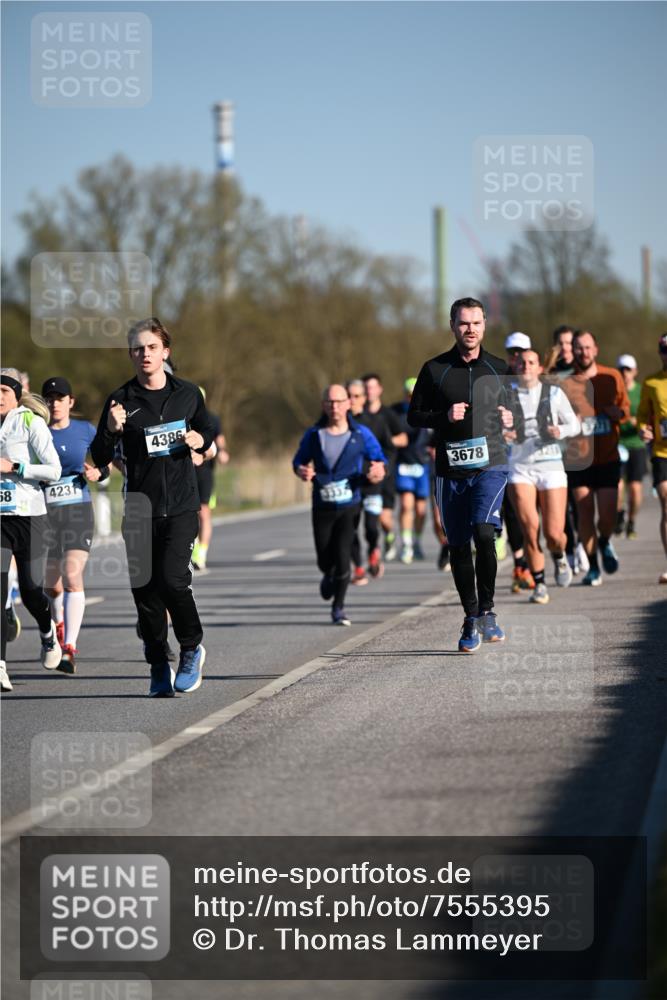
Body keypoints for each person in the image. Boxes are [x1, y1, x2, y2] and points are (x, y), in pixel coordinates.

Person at [90, 317, 214, 697]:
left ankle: (191, 648)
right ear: (131, 354)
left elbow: (208, 435)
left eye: (151, 347)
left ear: (165, 352)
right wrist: (111, 429)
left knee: (173, 579)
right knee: (145, 591)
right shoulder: (120, 400)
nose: (145, 354)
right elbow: (97, 457)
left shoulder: (189, 394)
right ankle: (158, 662)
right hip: (140, 509)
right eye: (137, 348)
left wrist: (198, 438)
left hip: (180, 504)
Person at [408, 297, 522, 652]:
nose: (470, 329)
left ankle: (488, 610)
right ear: (453, 326)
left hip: (491, 465)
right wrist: (444, 416)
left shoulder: (499, 368)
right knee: (457, 544)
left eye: (476, 323)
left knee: (484, 533)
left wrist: (510, 419)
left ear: (484, 326)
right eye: (463, 323)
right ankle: (471, 616)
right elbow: (414, 416)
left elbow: (516, 413)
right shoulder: (434, 369)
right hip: (450, 470)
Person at [293, 384, 386, 626]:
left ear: (348, 404)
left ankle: (338, 608)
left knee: (344, 555)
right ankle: (328, 572)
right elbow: (299, 461)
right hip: (322, 506)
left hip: (349, 505)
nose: (334, 406)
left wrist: (378, 471)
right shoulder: (314, 435)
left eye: (339, 401)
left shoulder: (361, 434)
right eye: (330, 402)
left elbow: (379, 460)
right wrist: (301, 470)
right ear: (324, 405)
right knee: (325, 558)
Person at [42, 376, 110, 674]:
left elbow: (107, 462)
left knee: (72, 575)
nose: (55, 403)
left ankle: (69, 648)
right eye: (50, 398)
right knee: (51, 585)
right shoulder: (37, 432)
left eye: (60, 398)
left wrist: (98, 472)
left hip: (78, 513)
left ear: (71, 402)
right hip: (44, 517)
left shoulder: (85, 430)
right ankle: (57, 626)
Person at [0, 368, 63, 691]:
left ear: (15, 395)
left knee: (30, 590)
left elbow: (54, 470)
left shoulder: (30, 422)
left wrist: (15, 467)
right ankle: (0, 667)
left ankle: (48, 631)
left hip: (30, 517)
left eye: (3, 392)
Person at [508, 351, 580, 604]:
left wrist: (560, 430)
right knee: (530, 529)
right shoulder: (507, 394)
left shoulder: (553, 394)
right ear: (515, 366)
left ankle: (560, 557)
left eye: (531, 363)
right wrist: (503, 432)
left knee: (553, 534)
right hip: (520, 467)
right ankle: (539, 584)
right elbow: (492, 426)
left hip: (551, 467)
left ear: (539, 368)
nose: (526, 367)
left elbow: (575, 425)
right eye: (521, 363)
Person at [562, 330, 629, 586]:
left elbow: (625, 410)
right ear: (573, 351)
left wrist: (617, 413)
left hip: (608, 456)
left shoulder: (612, 376)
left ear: (596, 349)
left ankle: (604, 541)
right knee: (585, 511)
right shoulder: (565, 383)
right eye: (579, 348)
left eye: (588, 347)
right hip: (579, 459)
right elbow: (555, 418)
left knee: (608, 515)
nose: (584, 352)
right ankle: (592, 566)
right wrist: (569, 421)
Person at [362, 374, 408, 561]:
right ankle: (370, 548)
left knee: (384, 519)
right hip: (364, 473)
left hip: (386, 471)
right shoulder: (358, 415)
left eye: (373, 387)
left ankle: (389, 535)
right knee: (368, 518)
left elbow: (403, 439)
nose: (369, 391)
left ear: (380, 390)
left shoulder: (388, 414)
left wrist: (382, 442)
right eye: (366, 388)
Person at [346, 380, 387, 583]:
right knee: (350, 527)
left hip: (372, 483)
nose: (352, 400)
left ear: (364, 398)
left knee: (371, 526)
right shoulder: (338, 424)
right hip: (348, 485)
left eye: (356, 396)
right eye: (349, 396)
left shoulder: (376, 421)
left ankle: (374, 549)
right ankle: (359, 567)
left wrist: (381, 469)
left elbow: (387, 450)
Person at [503, 332, 535, 593]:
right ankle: (520, 563)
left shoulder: (540, 383)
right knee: (511, 512)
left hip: (534, 460)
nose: (516, 357)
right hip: (505, 457)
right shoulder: (499, 381)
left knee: (531, 516)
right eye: (512, 352)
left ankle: (533, 556)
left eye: (521, 351)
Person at [637, 333, 667, 583]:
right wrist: (642, 429)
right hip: (660, 452)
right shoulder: (651, 382)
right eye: (665, 351)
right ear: (660, 353)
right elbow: (642, 416)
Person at [391, 378, 432, 564]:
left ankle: (416, 541)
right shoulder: (396, 413)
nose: (411, 398)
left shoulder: (430, 411)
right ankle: (406, 543)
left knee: (421, 510)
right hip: (404, 464)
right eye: (409, 394)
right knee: (406, 504)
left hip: (422, 464)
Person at [191, 388, 229, 571]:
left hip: (205, 472)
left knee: (204, 512)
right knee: (188, 514)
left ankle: (201, 553)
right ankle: (193, 548)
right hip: (186, 472)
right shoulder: (182, 420)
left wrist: (222, 453)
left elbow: (220, 441)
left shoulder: (212, 419)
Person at [614, 354, 646, 539]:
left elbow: (648, 416)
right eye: (621, 369)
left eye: (628, 369)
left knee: (635, 489)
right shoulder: (613, 391)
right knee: (617, 486)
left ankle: (631, 520)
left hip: (636, 445)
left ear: (635, 371)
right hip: (617, 445)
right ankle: (619, 514)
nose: (624, 373)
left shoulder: (641, 391)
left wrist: (637, 422)